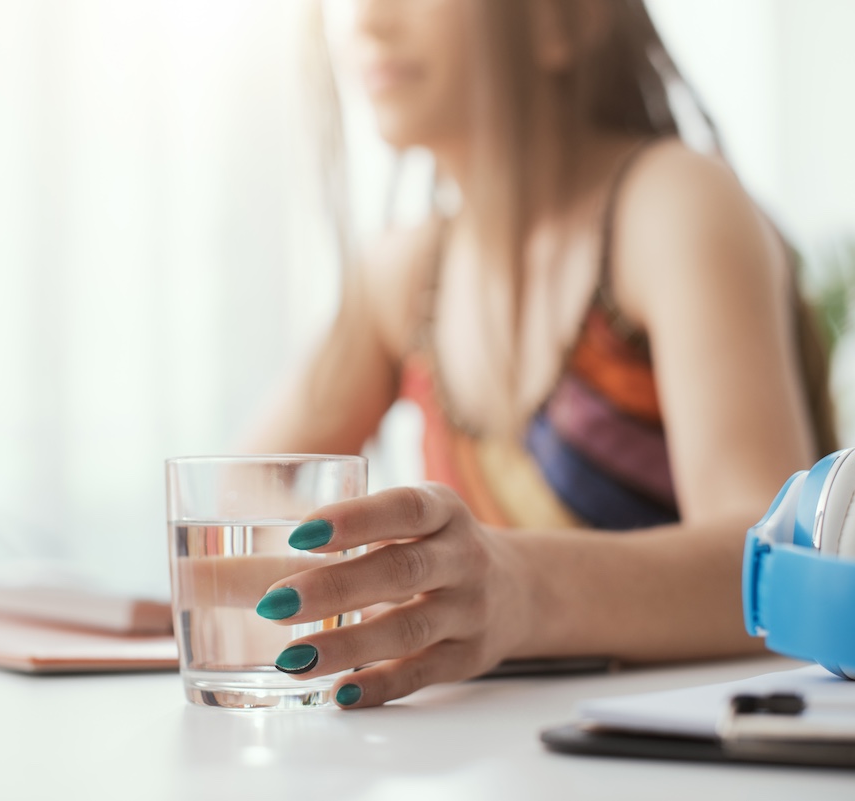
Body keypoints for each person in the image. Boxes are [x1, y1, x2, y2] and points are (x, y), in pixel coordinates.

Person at [243, 0, 837, 709]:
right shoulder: (405, 275)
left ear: (569, 18)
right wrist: (367, 582)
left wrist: (513, 584)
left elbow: (779, 563)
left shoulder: (670, 204)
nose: (367, 18)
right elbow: (239, 490)